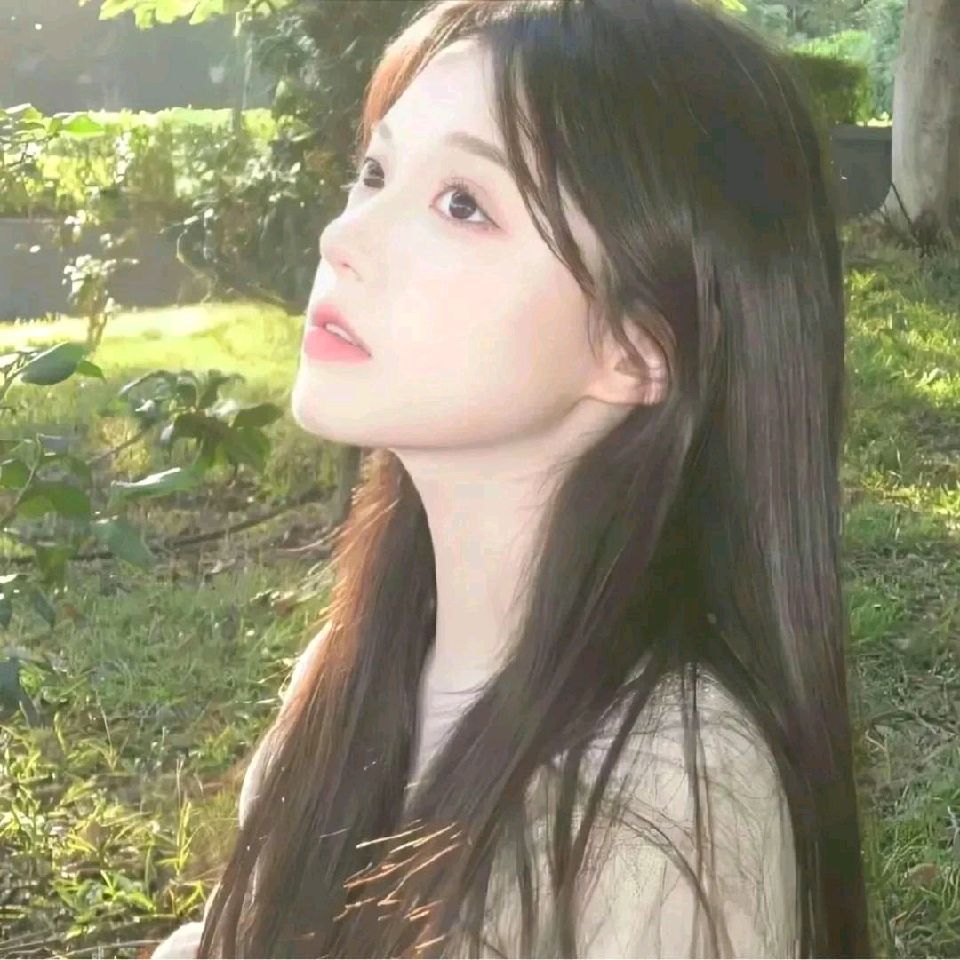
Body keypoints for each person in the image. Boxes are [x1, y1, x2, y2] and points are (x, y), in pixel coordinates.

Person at [151, 0, 870, 955]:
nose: (343, 237)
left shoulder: (666, 805)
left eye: (463, 204)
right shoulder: (357, 665)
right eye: (375, 173)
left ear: (637, 349)